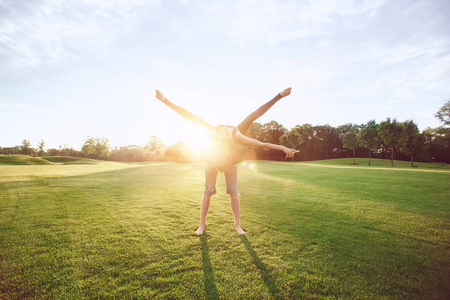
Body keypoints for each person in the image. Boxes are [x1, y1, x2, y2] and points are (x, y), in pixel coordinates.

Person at [153, 88, 299, 235]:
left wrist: (282, 148)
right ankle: (201, 225)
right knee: (207, 190)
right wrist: (165, 101)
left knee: (233, 192)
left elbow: (261, 143)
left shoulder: (237, 137)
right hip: (212, 158)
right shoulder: (211, 136)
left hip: (230, 160)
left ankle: (237, 225)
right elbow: (188, 119)